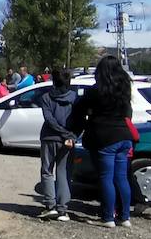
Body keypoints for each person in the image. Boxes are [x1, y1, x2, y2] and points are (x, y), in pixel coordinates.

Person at [67, 54, 134, 228]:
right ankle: (125, 216)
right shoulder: (125, 89)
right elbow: (128, 113)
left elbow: (79, 110)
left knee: (106, 178)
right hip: (124, 136)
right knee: (121, 178)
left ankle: (108, 217)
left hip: (104, 137)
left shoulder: (95, 91)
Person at [37, 69, 77, 222]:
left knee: (47, 171)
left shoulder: (46, 97)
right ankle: (63, 209)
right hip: (67, 140)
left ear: (53, 81)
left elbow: (49, 119)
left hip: (49, 137)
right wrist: (70, 135)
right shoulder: (74, 98)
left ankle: (50, 206)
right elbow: (79, 119)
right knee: (64, 172)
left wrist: (63, 133)